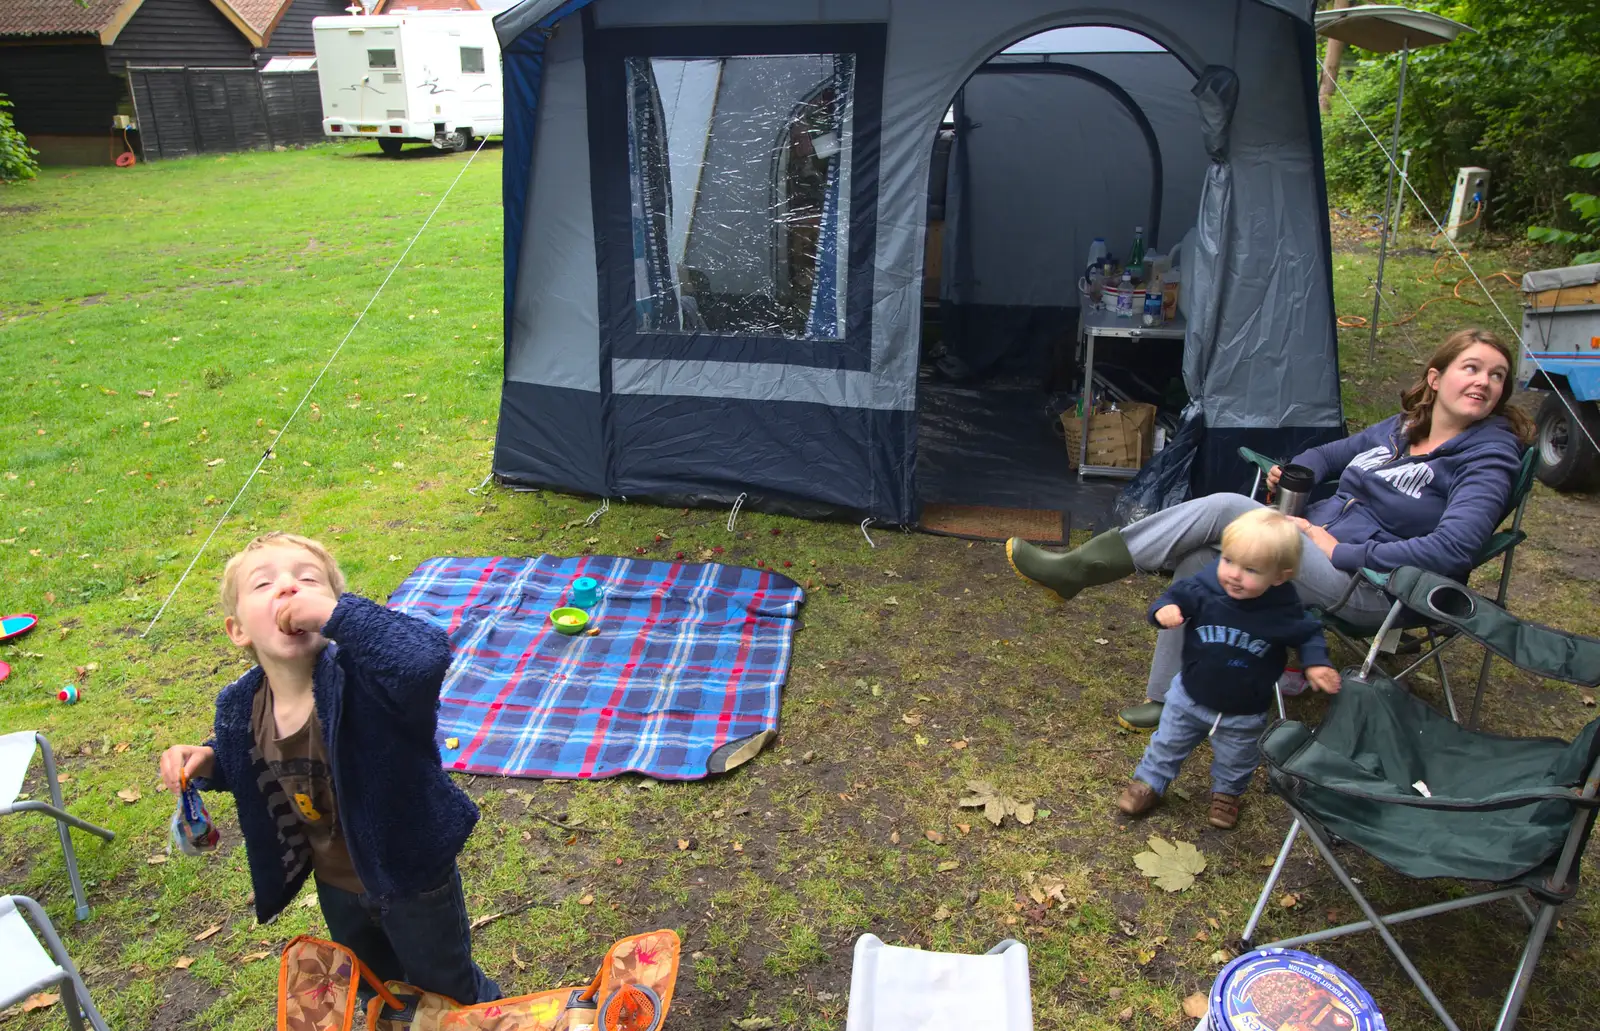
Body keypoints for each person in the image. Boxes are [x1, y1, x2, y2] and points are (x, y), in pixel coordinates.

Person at [1008, 327, 1533, 730]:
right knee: (1202, 564)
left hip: (1378, 586)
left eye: (1496, 376)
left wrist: (1345, 550)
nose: (1484, 382)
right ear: (1437, 378)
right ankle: (1173, 703)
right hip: (1312, 551)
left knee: (1224, 509)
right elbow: (1329, 453)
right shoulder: (1401, 430)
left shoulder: (1489, 455)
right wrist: (1296, 470)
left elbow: (1455, 548)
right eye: (1472, 368)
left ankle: (1079, 569)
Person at [158, 532, 501, 1004]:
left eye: (307, 580)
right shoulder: (241, 705)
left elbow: (423, 658)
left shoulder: (364, 679)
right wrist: (211, 761)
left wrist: (338, 617)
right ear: (238, 630)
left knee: (448, 991)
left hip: (412, 875)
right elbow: (251, 757)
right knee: (379, 992)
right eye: (263, 584)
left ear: (335, 609)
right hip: (336, 884)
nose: (288, 588)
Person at [1117, 508, 1341, 828]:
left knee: (1237, 757)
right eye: (1229, 561)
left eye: (1250, 569)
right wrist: (1166, 609)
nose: (1234, 574)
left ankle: (1227, 794)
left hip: (1243, 709)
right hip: (1190, 694)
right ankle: (1149, 783)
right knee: (1167, 743)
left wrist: (1316, 663)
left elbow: (1308, 633)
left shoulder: (1283, 609)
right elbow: (1175, 595)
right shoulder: (1207, 587)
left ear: (1279, 576)